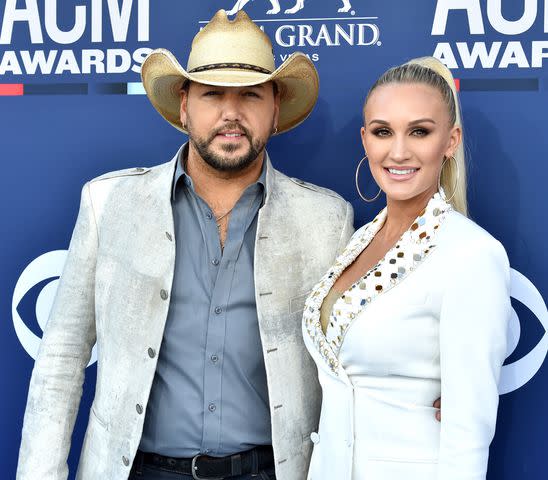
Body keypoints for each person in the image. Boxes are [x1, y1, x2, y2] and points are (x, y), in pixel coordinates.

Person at [16, 10, 355, 480]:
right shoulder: (109, 203)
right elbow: (61, 360)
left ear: (275, 108)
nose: (230, 113)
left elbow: (350, 366)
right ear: (184, 106)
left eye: (250, 96)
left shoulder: (327, 219)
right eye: (212, 94)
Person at [302, 57, 511, 480]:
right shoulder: (357, 240)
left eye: (419, 131)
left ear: (450, 141)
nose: (398, 151)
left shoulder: (472, 255)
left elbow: (467, 437)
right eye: (383, 132)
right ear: (365, 140)